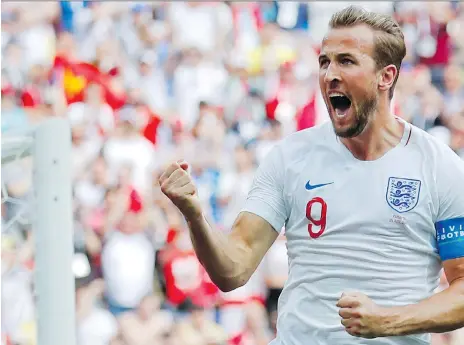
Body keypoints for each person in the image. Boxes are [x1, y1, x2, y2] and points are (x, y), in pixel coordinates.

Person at [159, 6, 464, 345]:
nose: (329, 74)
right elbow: (233, 269)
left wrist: (388, 321)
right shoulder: (290, 158)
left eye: (346, 61)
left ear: (386, 76)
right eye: (324, 62)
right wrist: (195, 215)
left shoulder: (440, 168)